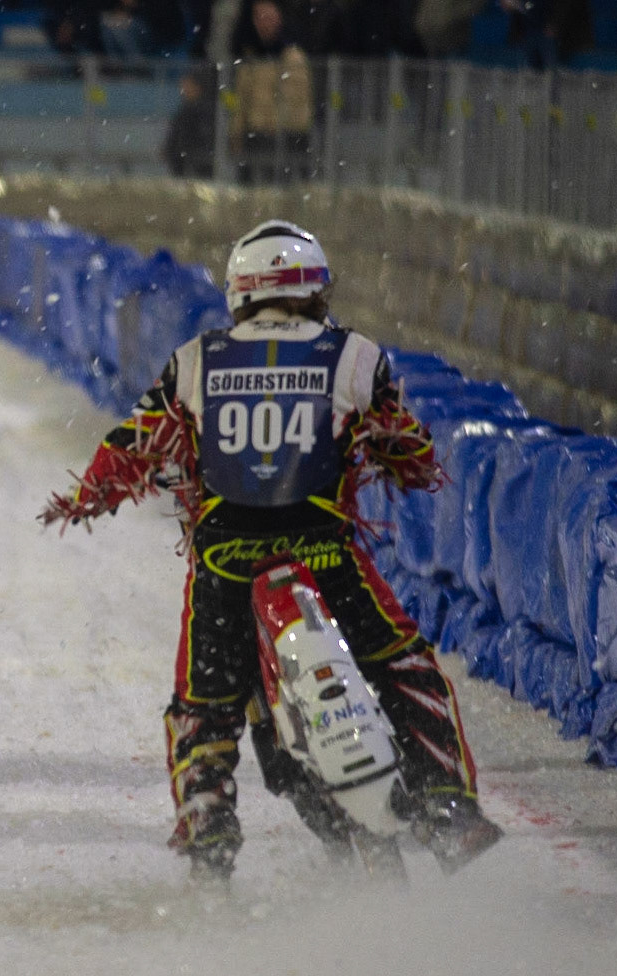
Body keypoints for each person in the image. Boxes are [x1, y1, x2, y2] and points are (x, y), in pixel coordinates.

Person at [41, 220, 502, 883]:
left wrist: (89, 497)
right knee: (407, 666)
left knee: (202, 703)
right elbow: (406, 444)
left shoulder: (197, 359)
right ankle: (446, 806)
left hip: (226, 565)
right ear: (315, 289)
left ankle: (206, 815)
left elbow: (130, 446)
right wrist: (399, 460)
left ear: (240, 293)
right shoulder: (354, 357)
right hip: (325, 557)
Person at [228, 0, 313, 184]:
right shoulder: (250, 56)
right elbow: (242, 100)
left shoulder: (292, 57)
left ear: (279, 18)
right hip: (254, 135)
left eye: (268, 16)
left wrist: (274, 124)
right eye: (258, 17)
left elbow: (295, 99)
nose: (263, 22)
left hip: (283, 137)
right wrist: (236, 132)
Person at [162, 65, 216, 178]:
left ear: (197, 87)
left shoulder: (204, 109)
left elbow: (187, 133)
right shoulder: (185, 108)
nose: (183, 90)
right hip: (185, 156)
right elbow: (176, 133)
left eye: (186, 86)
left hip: (196, 157)